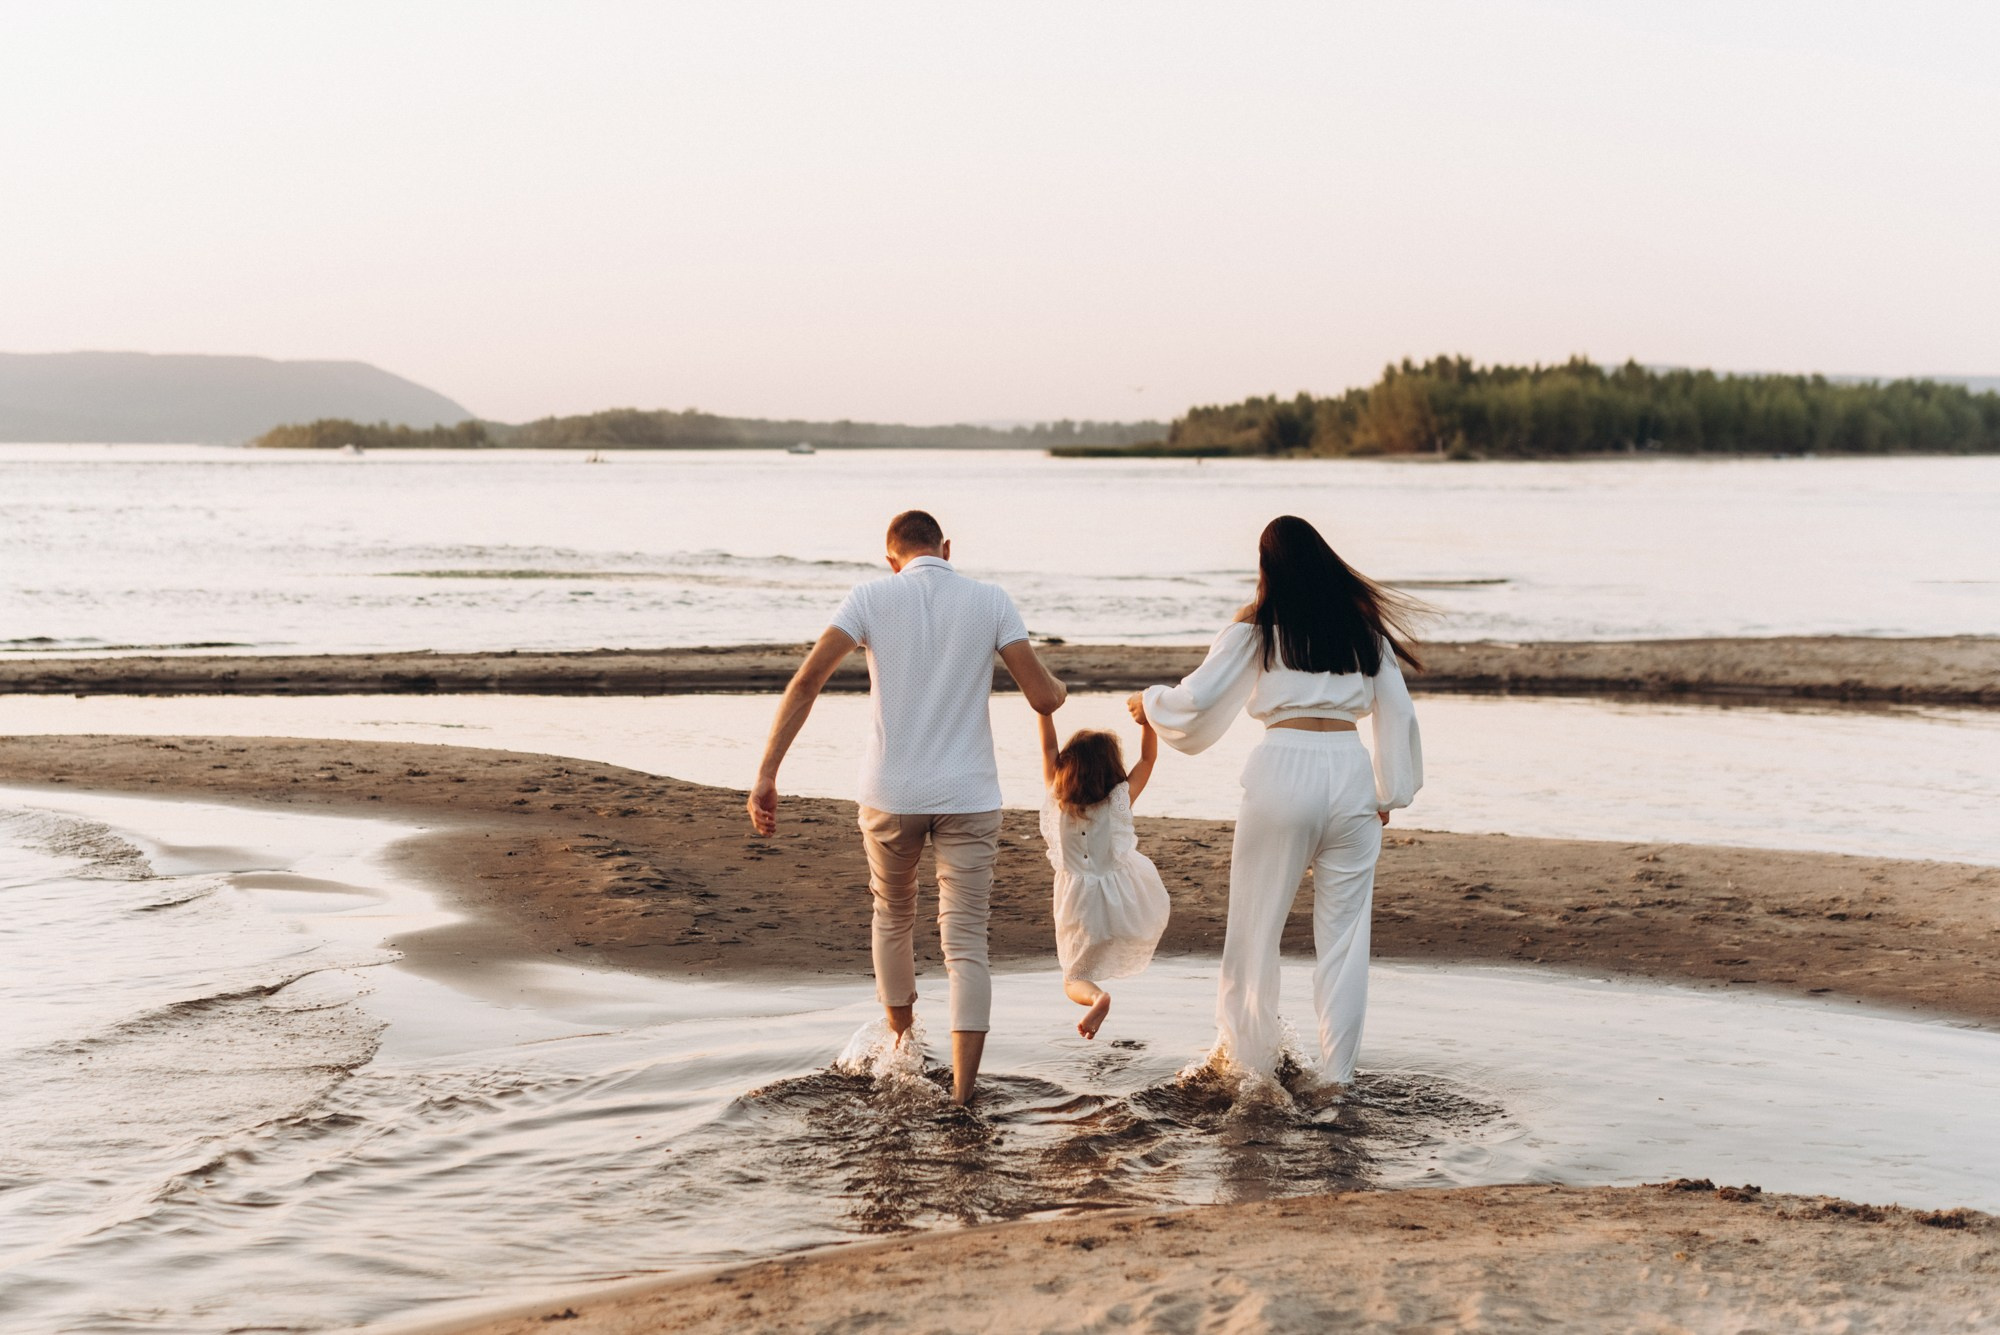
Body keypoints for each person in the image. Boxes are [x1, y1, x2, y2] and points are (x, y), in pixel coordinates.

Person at [748, 509, 1066, 1106]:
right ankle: (964, 1096)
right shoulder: (991, 600)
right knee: (966, 940)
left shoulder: (870, 597)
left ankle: (902, 1054)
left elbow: (806, 682)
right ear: (947, 548)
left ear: (890, 557)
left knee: (892, 915)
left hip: (890, 792)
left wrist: (767, 774)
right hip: (969, 795)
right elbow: (1043, 696)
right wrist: (1061, 690)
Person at [1129, 515, 1423, 1086]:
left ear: (1269, 569)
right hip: (1349, 769)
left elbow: (1197, 698)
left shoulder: (1256, 629)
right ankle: (1336, 1078)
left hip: (1282, 768)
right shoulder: (1364, 632)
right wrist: (1390, 791)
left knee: (1255, 931)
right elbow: (1400, 713)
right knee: (1344, 942)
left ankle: (1249, 1069)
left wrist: (1149, 702)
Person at [1034, 713, 1171, 1039]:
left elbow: (1048, 746)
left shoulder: (1057, 798)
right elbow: (1148, 759)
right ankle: (1100, 991)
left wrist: (1045, 711)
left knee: (1073, 976)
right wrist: (1147, 722)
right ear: (1112, 768)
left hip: (1078, 904)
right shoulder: (1119, 799)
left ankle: (1097, 997)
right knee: (1106, 946)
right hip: (1123, 903)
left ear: (1067, 766)